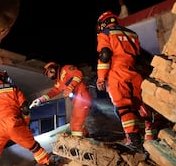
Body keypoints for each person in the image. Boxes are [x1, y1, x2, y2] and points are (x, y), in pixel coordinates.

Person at [95, 10, 160, 153]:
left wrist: (101, 77)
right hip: (133, 72)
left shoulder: (105, 33)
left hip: (117, 73)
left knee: (123, 107)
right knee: (139, 107)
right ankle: (148, 137)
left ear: (104, 23)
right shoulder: (131, 34)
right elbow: (138, 55)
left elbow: (105, 55)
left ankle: (135, 142)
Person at [30, 62, 92, 138]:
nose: (48, 76)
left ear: (52, 69)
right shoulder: (59, 81)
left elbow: (78, 74)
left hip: (82, 96)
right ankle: (86, 138)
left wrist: (70, 87)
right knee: (73, 123)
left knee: (76, 123)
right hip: (77, 99)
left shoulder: (66, 69)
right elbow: (54, 92)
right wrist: (40, 100)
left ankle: (78, 143)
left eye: (48, 73)